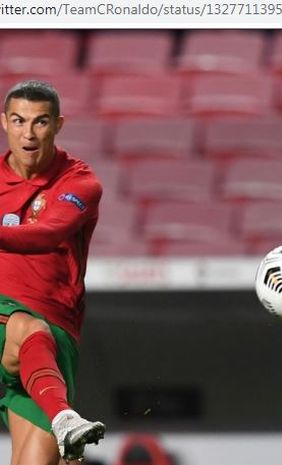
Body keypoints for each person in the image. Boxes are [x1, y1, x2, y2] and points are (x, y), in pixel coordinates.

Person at [0, 80, 105, 464]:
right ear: (4, 123)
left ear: (58, 125)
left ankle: (63, 428)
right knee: (28, 328)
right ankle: (63, 417)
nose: (28, 133)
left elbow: (48, 234)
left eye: (40, 122)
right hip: (10, 315)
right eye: (18, 120)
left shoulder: (80, 182)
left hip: (55, 337)